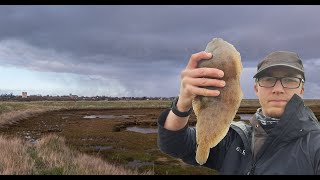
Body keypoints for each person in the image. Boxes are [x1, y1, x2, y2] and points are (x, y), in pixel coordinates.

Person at [157, 50, 320, 175]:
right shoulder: (234, 138)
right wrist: (182, 104)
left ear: (302, 89)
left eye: (290, 80)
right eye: (268, 80)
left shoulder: (314, 145)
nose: (278, 89)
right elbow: (174, 144)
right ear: (256, 89)